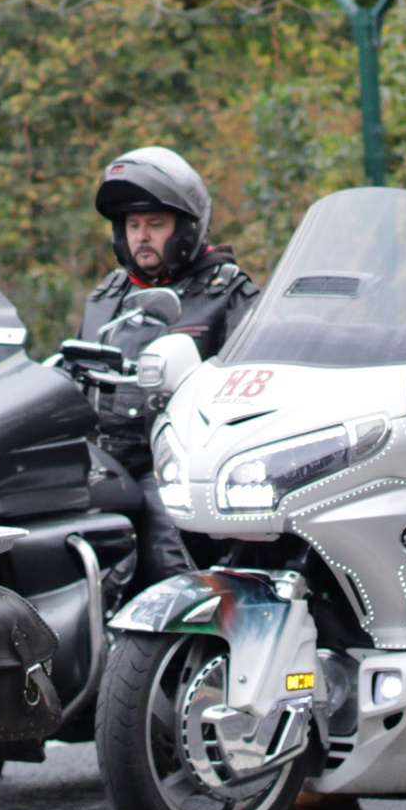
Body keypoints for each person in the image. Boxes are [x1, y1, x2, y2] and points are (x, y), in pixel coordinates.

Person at [79, 146, 259, 589]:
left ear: (186, 226)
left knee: (165, 542)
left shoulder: (227, 291)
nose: (142, 236)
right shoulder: (107, 296)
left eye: (155, 224)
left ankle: (183, 646)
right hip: (98, 460)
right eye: (133, 225)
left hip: (175, 466)